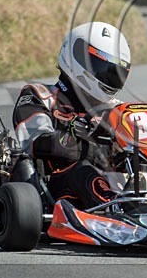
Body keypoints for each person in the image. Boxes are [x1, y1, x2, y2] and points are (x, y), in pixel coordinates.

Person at [12, 22, 131, 209]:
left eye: (116, 73)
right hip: (54, 186)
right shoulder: (40, 95)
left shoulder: (119, 110)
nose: (109, 78)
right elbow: (35, 142)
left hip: (116, 181)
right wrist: (88, 146)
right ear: (76, 59)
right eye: (103, 68)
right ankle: (113, 212)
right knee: (84, 171)